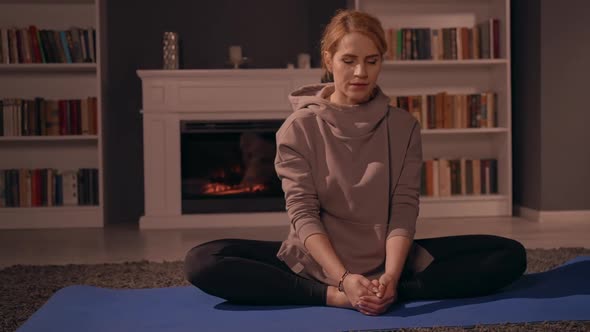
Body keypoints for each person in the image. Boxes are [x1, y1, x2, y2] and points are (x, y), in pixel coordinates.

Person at [184, 9, 526, 316]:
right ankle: (334, 296)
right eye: (349, 60)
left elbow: (403, 209)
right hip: (319, 263)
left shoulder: (403, 126)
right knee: (203, 262)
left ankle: (385, 292)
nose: (361, 72)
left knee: (508, 254)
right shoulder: (298, 128)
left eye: (372, 60)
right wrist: (344, 282)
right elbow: (303, 215)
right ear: (329, 59)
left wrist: (390, 275)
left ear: (381, 62)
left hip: (387, 257)